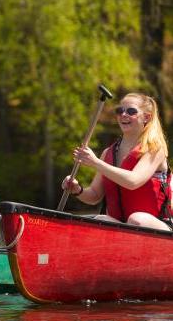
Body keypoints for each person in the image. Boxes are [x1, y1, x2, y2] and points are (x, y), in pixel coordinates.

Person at [62, 93, 171, 231]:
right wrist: (77, 190)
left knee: (137, 220)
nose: (123, 114)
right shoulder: (108, 153)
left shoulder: (155, 149)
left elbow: (133, 181)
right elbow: (94, 195)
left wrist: (96, 163)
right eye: (120, 111)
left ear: (146, 117)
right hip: (122, 229)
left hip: (155, 227)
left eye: (131, 111)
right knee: (100, 219)